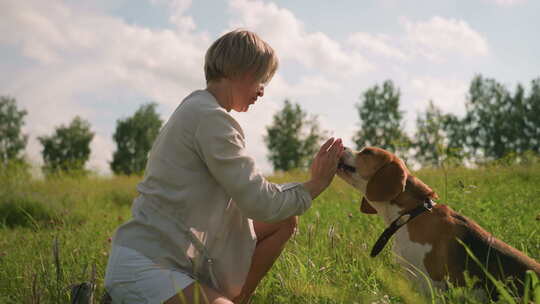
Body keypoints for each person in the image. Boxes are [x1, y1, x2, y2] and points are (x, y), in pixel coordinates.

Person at [104, 29, 344, 304]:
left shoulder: (199, 108)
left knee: (284, 220)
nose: (263, 91)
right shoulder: (210, 118)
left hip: (175, 261)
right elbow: (259, 202)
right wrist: (315, 185)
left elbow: (258, 202)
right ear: (242, 71)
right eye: (261, 79)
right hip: (149, 267)